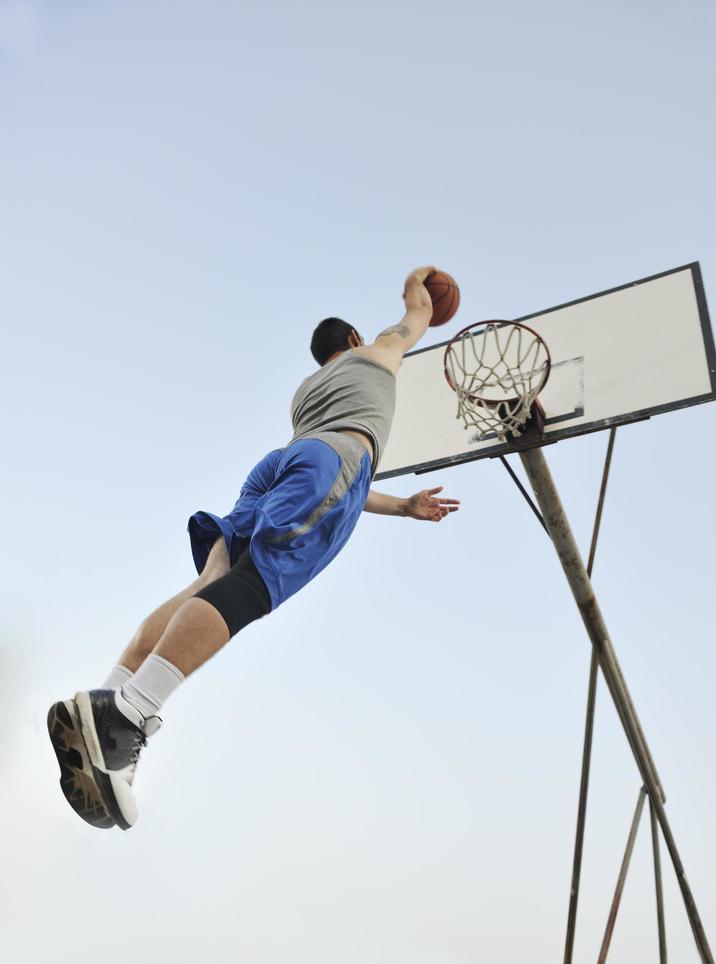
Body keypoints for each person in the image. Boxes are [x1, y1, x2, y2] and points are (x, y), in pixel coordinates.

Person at [47, 266, 461, 830]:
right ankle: (128, 715)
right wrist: (421, 288)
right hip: (331, 459)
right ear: (355, 340)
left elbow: (334, 483)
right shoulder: (377, 354)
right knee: (256, 585)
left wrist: (401, 506)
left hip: (283, 463)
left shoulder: (307, 394)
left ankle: (111, 693)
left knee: (212, 580)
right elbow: (418, 311)